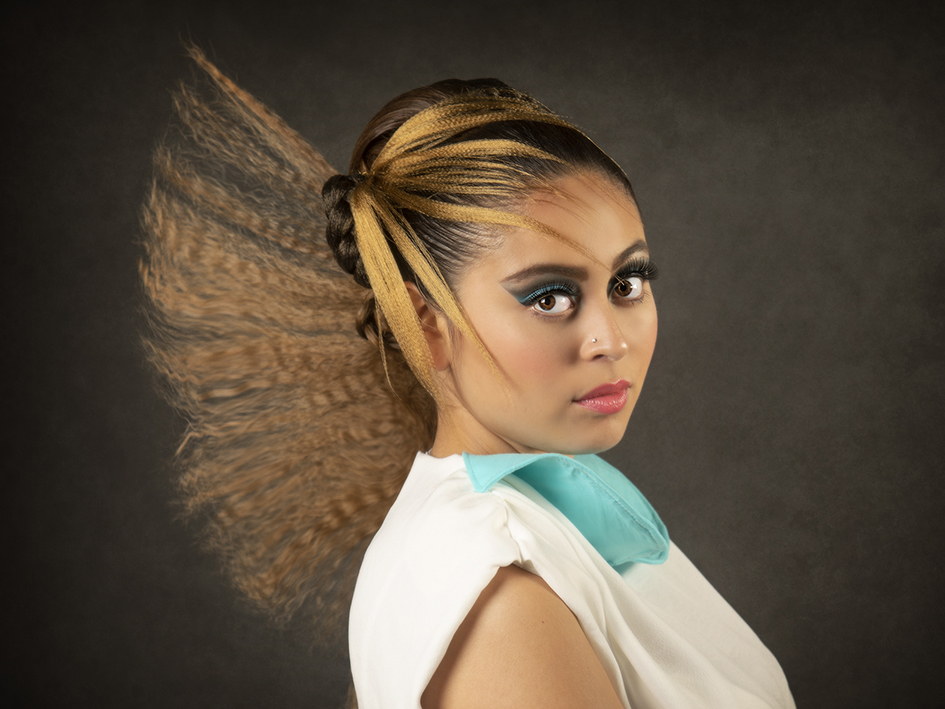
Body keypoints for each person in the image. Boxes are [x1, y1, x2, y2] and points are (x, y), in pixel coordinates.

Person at [141, 47, 795, 709]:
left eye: (627, 282)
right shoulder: (504, 595)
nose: (612, 340)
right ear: (425, 323)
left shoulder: (523, 524)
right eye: (549, 297)